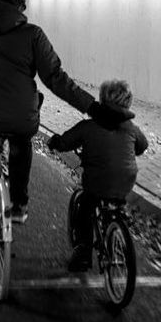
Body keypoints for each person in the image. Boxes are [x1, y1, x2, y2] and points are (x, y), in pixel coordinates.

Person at [0, 0, 129, 254]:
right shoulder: (32, 35)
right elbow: (55, 78)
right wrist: (94, 109)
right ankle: (17, 205)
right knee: (20, 144)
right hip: (21, 118)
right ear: (19, 11)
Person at [47, 79, 149, 271]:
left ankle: (83, 252)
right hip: (125, 182)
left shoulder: (89, 126)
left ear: (102, 99)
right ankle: (116, 226)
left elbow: (66, 141)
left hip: (96, 182)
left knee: (84, 206)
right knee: (115, 201)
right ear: (128, 102)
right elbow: (142, 146)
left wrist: (55, 142)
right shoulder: (131, 128)